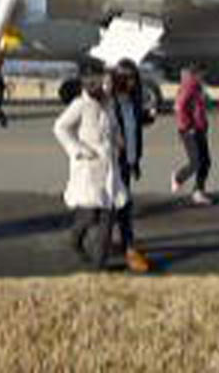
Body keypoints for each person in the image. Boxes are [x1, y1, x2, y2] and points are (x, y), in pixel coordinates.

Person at [53, 60, 128, 270]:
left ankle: (99, 267)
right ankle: (75, 240)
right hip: (89, 167)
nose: (93, 82)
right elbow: (60, 128)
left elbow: (112, 126)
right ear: (83, 81)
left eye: (97, 77)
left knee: (108, 216)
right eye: (88, 79)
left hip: (109, 166)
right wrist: (78, 149)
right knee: (89, 215)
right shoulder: (80, 105)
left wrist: (119, 140)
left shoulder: (108, 102)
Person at [111, 58, 152, 273]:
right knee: (117, 207)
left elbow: (134, 134)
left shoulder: (133, 103)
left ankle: (125, 244)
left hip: (127, 163)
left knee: (123, 206)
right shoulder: (109, 103)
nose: (132, 83)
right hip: (111, 165)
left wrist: (135, 162)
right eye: (127, 79)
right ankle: (126, 247)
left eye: (134, 79)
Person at [170, 63, 213, 205]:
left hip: (199, 129)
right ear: (197, 74)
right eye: (203, 74)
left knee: (205, 162)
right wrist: (188, 126)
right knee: (197, 161)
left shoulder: (197, 87)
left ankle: (198, 192)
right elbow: (179, 107)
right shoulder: (189, 86)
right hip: (190, 131)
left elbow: (199, 107)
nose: (204, 77)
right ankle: (178, 177)